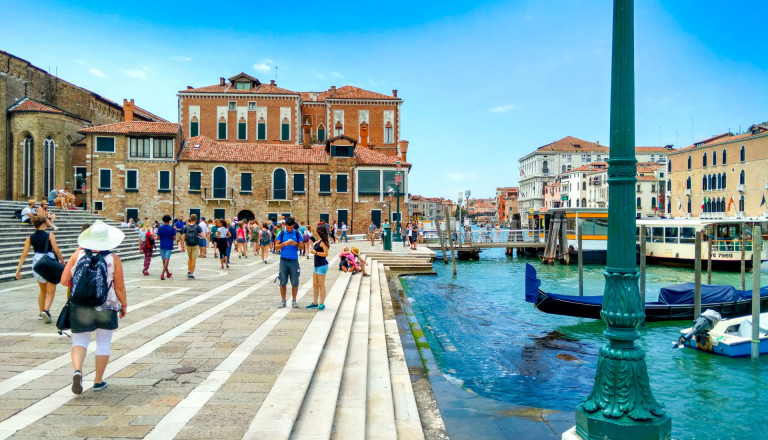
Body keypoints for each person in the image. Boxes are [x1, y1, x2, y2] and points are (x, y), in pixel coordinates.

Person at [61, 220, 127, 394]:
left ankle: (77, 370)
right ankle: (98, 380)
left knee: (79, 341)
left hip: (80, 304)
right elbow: (119, 287)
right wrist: (124, 305)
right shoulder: (113, 259)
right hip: (106, 304)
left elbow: (63, 280)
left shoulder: (78, 254)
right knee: (103, 343)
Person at [15, 215, 64, 323]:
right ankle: (46, 311)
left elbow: (24, 254)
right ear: (43, 224)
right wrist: (62, 261)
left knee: (42, 290)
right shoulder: (50, 235)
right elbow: (56, 250)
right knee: (51, 291)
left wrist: (18, 270)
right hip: (49, 262)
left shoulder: (30, 237)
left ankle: (41, 311)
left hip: (37, 263)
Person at [275, 217, 303, 308]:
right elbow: (276, 247)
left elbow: (302, 247)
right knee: (283, 281)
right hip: (283, 261)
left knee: (295, 281)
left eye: (291, 228)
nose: (290, 229)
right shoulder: (281, 233)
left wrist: (295, 244)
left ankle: (294, 300)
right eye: (288, 227)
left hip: (294, 261)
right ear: (285, 225)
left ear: (293, 226)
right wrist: (284, 244)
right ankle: (283, 300)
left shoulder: (298, 233)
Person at [307, 226, 330, 310]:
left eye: (316, 231)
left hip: (322, 265)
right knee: (315, 284)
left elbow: (325, 254)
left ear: (320, 232)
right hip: (316, 265)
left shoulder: (323, 242)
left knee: (321, 285)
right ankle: (315, 302)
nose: (315, 232)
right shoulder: (318, 241)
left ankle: (322, 303)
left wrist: (315, 252)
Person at [183, 214, 204, 279]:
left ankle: (189, 271)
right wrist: (199, 235)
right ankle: (191, 274)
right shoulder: (198, 227)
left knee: (189, 258)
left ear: (190, 219)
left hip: (188, 244)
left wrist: (182, 245)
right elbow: (203, 236)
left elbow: (183, 236)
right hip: (195, 244)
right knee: (194, 259)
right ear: (196, 219)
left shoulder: (186, 227)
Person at [157, 215, 175, 280]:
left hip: (162, 245)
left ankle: (167, 273)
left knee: (164, 260)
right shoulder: (171, 228)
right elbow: (174, 237)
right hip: (169, 245)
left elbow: (158, 237)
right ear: (169, 221)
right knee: (167, 259)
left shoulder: (160, 228)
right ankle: (162, 273)